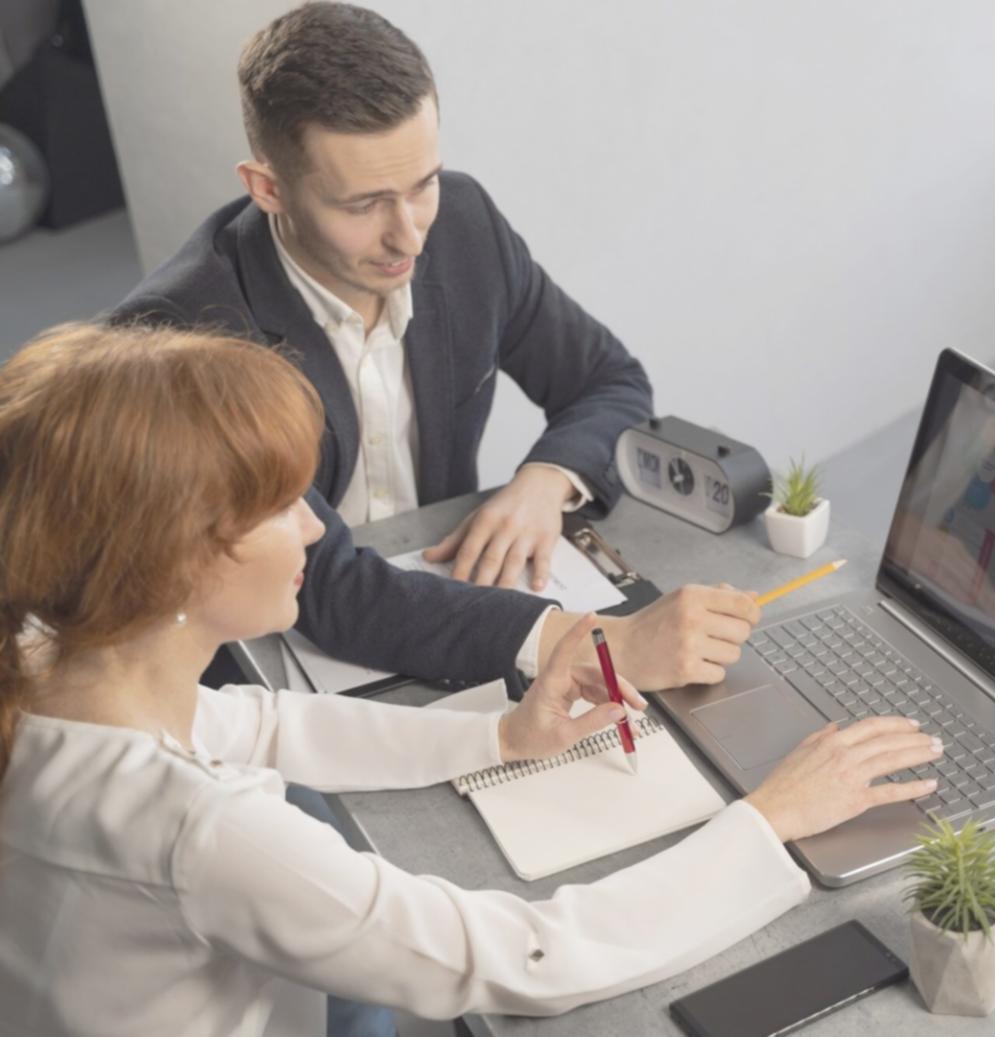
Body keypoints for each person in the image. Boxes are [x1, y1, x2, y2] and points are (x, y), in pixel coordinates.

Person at [0, 323, 944, 1036]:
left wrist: (501, 735)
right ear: (171, 564)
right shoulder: (199, 832)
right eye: (283, 505)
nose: (319, 530)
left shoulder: (55, 667)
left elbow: (257, 722)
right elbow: (521, 956)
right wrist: (769, 820)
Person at [113, 1, 754, 695]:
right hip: (268, 666)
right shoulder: (182, 337)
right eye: (362, 205)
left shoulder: (464, 222)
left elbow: (608, 379)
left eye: (422, 187)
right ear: (268, 189)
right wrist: (599, 646)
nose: (410, 237)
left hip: (450, 609)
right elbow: (333, 593)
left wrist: (546, 479)